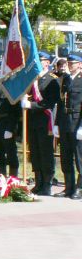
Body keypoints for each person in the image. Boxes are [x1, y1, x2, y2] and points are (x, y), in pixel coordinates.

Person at [21, 51, 59, 195]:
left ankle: (47, 184)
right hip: (33, 121)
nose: (37, 62)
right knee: (35, 152)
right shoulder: (32, 79)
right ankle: (38, 182)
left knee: (45, 152)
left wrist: (31, 105)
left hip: (45, 120)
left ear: (47, 63)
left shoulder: (52, 80)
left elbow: (49, 102)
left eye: (40, 60)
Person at [54, 51, 82, 199]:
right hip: (65, 121)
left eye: (73, 63)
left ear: (80, 65)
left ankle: (80, 187)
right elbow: (61, 102)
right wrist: (57, 123)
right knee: (65, 156)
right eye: (69, 63)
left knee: (79, 158)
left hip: (77, 121)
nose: (70, 65)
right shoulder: (65, 79)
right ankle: (68, 187)